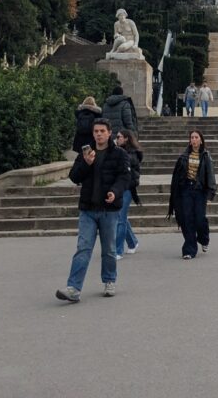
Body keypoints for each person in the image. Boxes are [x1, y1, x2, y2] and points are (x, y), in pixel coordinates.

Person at [56, 119, 130, 303]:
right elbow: (74, 177)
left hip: (109, 210)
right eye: (96, 131)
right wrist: (86, 164)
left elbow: (124, 177)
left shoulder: (119, 154)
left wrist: (115, 192)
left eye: (102, 131)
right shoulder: (86, 153)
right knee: (83, 248)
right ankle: (73, 288)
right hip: (88, 209)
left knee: (109, 250)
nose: (98, 134)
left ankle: (109, 280)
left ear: (109, 132)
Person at [168, 130, 217, 259]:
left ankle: (204, 238)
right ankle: (189, 249)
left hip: (200, 191)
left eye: (196, 137)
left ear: (201, 140)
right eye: (192, 137)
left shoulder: (206, 156)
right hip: (186, 191)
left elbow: (210, 175)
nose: (194, 140)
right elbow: (177, 175)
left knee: (200, 219)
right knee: (187, 218)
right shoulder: (184, 155)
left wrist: (211, 193)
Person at [114, 129, 143, 259]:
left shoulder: (132, 153)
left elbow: (126, 164)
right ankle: (133, 242)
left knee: (120, 218)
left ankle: (117, 250)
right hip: (117, 188)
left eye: (119, 137)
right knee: (122, 218)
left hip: (127, 189)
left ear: (126, 138)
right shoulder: (118, 151)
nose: (117, 138)